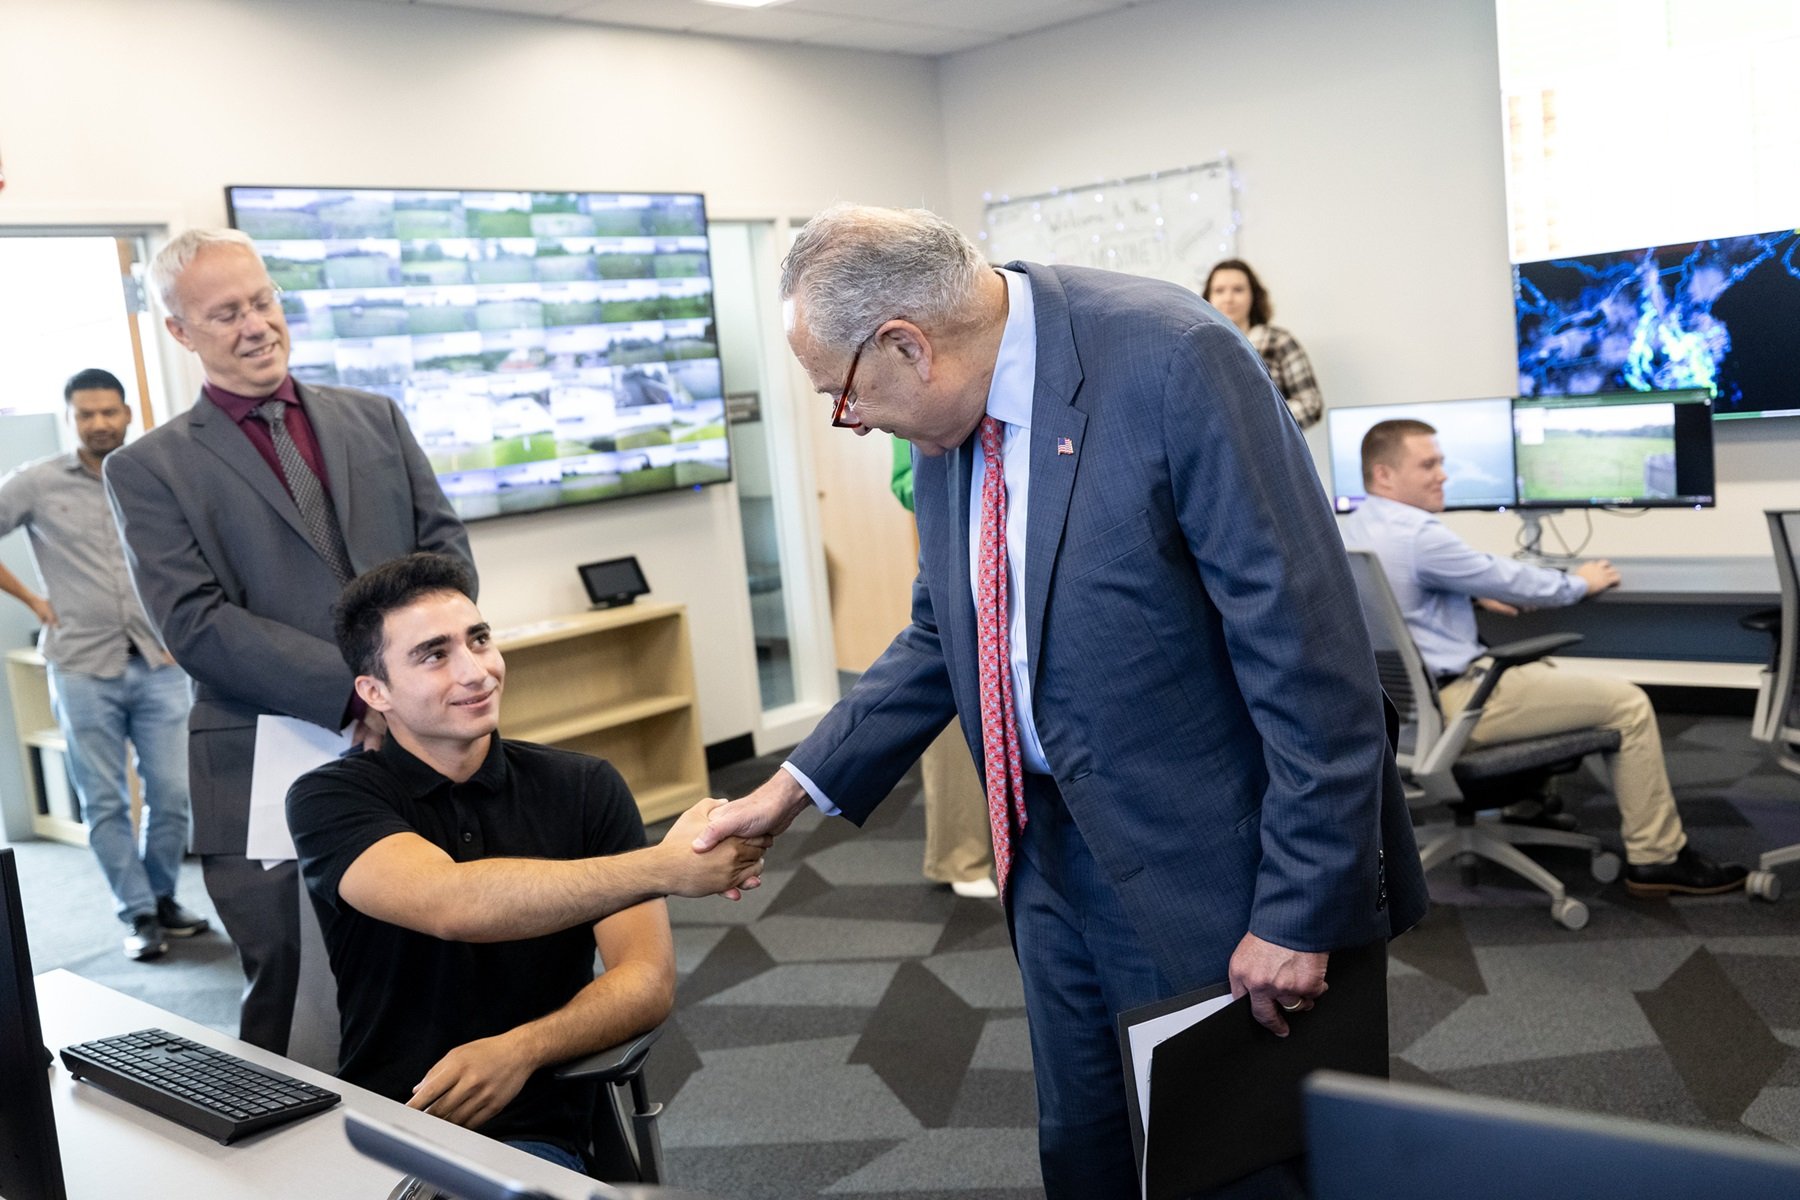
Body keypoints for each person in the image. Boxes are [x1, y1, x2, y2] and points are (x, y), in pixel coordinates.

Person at [694, 204, 1428, 1199]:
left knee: (1240, 1165)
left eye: (843, 394)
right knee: (1085, 1151)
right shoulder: (956, 415)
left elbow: (1309, 651)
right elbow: (943, 630)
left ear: (909, 346)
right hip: (1044, 849)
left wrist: (1301, 909)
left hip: (1214, 859)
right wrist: (787, 791)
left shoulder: (1176, 362)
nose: (850, 420)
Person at [104, 228, 475, 1052]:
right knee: (292, 983)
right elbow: (194, 622)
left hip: (422, 735)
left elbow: (445, 556)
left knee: (448, 953)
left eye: (263, 300)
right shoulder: (148, 469)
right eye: (226, 312)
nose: (256, 324)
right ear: (180, 332)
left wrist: (412, 678)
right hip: (266, 754)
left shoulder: (374, 419)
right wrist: (354, 690)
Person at [287, 553, 765, 1173]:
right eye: (435, 654)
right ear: (376, 692)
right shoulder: (331, 797)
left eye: (479, 639)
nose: (476, 671)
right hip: (385, 1124)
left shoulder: (585, 787)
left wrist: (521, 1050)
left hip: (536, 1129)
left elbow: (645, 981)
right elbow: (453, 903)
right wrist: (663, 867)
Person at [1340, 418, 1748, 897]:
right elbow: (1512, 580)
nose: (1443, 475)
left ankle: (1527, 804)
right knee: (1628, 704)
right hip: (1459, 702)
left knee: (1542, 673)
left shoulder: (1353, 528)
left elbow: (1396, 601)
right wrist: (1580, 582)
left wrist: (1466, 595)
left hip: (1405, 711)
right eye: (1428, 464)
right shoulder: (1418, 536)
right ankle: (1657, 857)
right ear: (1384, 475)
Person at [0, 368, 208, 962]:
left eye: (108, 412)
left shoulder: (154, 477)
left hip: (159, 659)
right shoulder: (37, 483)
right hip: (80, 665)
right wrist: (34, 602)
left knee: (171, 792)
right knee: (106, 800)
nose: (98, 423)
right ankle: (137, 912)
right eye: (85, 414)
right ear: (71, 419)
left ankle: (163, 896)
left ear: (127, 413)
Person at [891, 435, 996, 898]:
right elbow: (905, 480)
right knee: (952, 683)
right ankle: (960, 855)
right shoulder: (909, 392)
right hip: (968, 537)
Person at [1201, 259, 1323, 429]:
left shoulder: (1279, 341)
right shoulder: (1198, 348)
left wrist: (1265, 424)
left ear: (1254, 295)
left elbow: (1311, 403)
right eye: (1219, 291)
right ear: (1207, 298)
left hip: (1272, 449)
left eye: (1238, 289)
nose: (1228, 298)